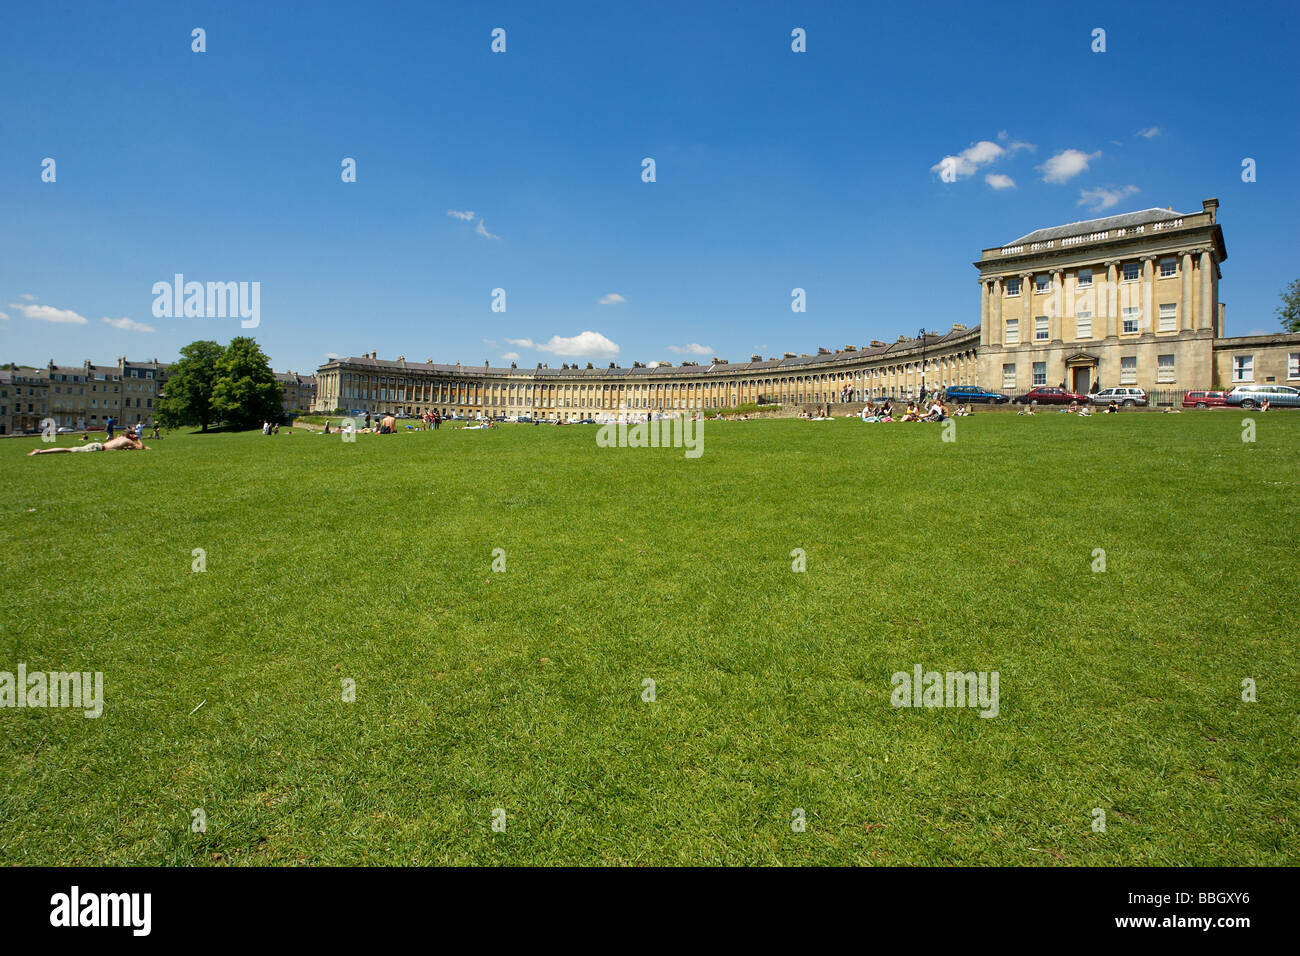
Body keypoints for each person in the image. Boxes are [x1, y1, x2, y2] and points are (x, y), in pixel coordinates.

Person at [28, 434, 149, 455]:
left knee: (69, 449)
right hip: (97, 448)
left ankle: (41, 451)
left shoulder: (120, 437)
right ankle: (40, 451)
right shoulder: (128, 441)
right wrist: (139, 441)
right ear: (131, 436)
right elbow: (141, 448)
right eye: (134, 435)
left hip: (98, 445)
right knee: (69, 450)